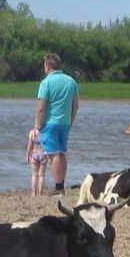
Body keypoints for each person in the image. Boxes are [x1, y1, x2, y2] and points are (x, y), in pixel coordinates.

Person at [35, 52, 79, 196]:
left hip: (50, 122)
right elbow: (75, 105)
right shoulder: (71, 81)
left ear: (47, 66)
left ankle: (59, 188)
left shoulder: (46, 82)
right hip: (65, 123)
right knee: (62, 153)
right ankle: (61, 185)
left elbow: (41, 107)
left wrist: (38, 125)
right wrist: (70, 120)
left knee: (53, 155)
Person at [25, 127, 48, 196]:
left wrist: (27, 155)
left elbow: (30, 145)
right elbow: (48, 145)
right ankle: (40, 193)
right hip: (43, 154)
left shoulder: (32, 132)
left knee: (34, 175)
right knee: (41, 175)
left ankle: (33, 193)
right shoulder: (46, 132)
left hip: (34, 154)